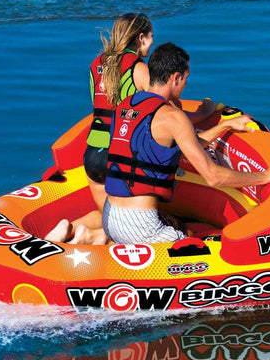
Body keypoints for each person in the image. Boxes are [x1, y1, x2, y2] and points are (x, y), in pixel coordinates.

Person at [46, 15, 217, 244]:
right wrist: (204, 114)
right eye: (151, 37)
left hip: (92, 152)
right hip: (118, 151)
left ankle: (69, 229)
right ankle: (86, 237)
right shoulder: (137, 67)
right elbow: (162, 107)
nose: (152, 42)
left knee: (109, 218)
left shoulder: (97, 64)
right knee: (121, 225)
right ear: (140, 38)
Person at [102, 42, 270, 244]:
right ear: (175, 77)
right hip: (140, 225)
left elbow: (187, 145)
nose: (185, 84)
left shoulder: (126, 105)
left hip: (110, 216)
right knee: (205, 246)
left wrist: (225, 126)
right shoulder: (173, 117)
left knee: (186, 230)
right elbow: (213, 176)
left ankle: (97, 237)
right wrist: (266, 176)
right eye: (185, 78)